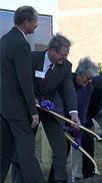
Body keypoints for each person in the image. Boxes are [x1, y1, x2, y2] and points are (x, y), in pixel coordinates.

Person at [11, 33, 81, 183]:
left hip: (51, 108)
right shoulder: (31, 58)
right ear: (51, 50)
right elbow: (20, 81)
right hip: (29, 106)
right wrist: (31, 101)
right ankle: (18, 180)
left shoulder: (66, 66)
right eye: (63, 54)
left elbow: (69, 90)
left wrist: (73, 112)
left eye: (67, 54)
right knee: (23, 148)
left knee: (61, 146)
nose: (65, 57)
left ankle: (59, 180)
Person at [0, 6, 45, 183]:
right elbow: (24, 80)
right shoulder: (21, 44)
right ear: (26, 22)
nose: (36, 25)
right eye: (35, 21)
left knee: (4, 152)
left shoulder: (3, 41)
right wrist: (33, 110)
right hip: (18, 108)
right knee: (27, 152)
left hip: (4, 106)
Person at [69, 57, 99, 183]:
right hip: (63, 117)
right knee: (66, 148)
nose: (90, 81)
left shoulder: (89, 88)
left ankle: (88, 174)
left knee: (87, 139)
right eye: (87, 78)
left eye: (91, 78)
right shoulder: (68, 82)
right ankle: (75, 175)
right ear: (79, 74)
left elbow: (83, 109)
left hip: (78, 120)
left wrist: (79, 131)